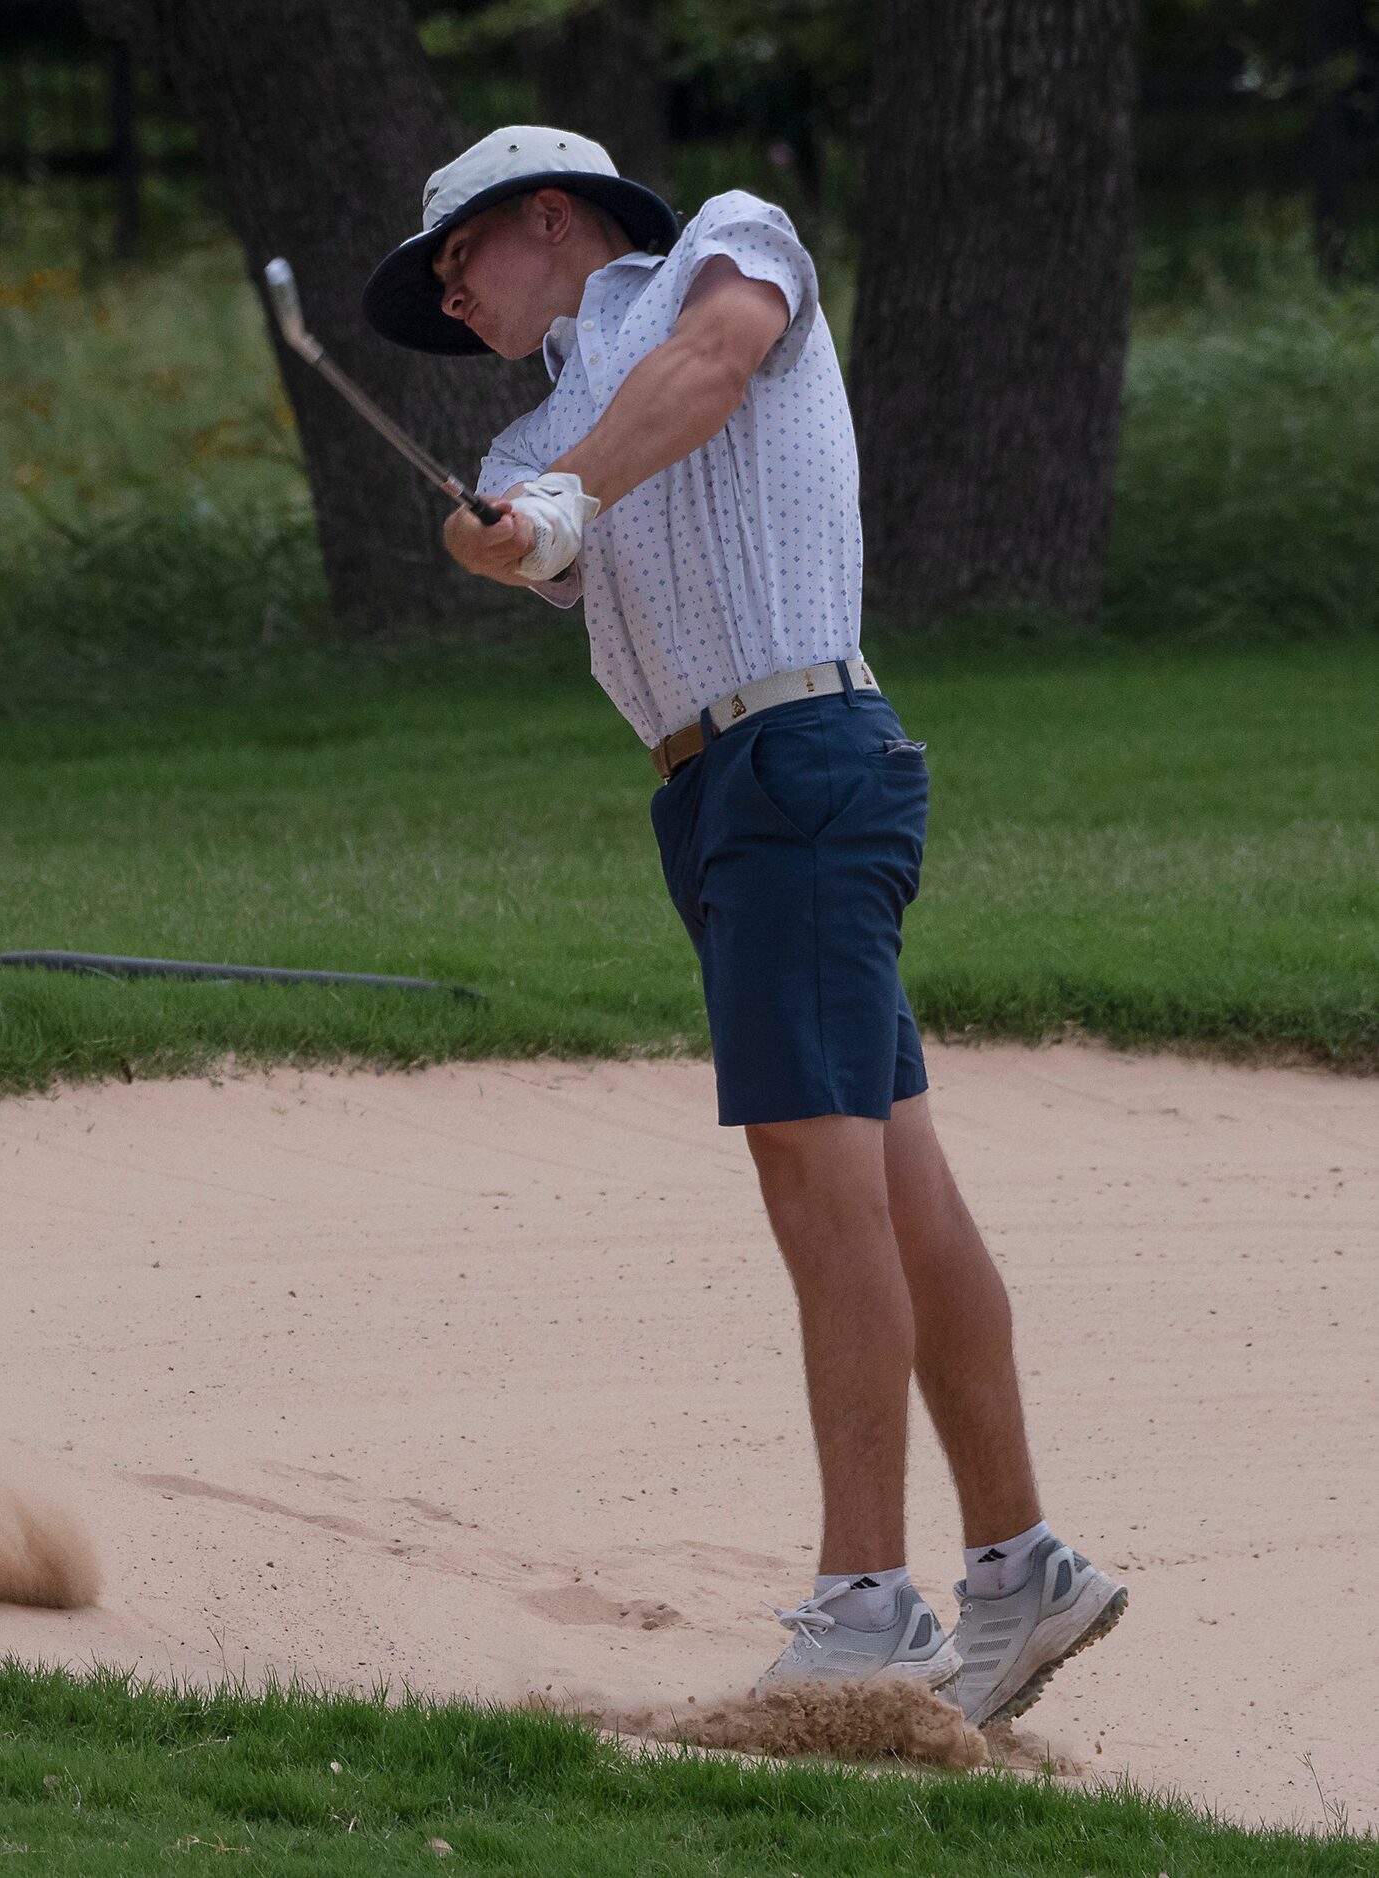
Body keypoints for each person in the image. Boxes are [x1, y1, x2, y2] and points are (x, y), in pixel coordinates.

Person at [359, 127, 1126, 1727]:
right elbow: (508, 526)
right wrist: (498, 525)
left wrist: (560, 494)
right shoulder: (539, 425)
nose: (451, 295)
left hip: (799, 757)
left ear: (551, 216)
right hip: (718, 802)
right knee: (900, 1187)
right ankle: (1021, 1570)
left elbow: (714, 362)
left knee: (816, 1177)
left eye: (462, 259)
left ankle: (866, 1607)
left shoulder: (728, 240)